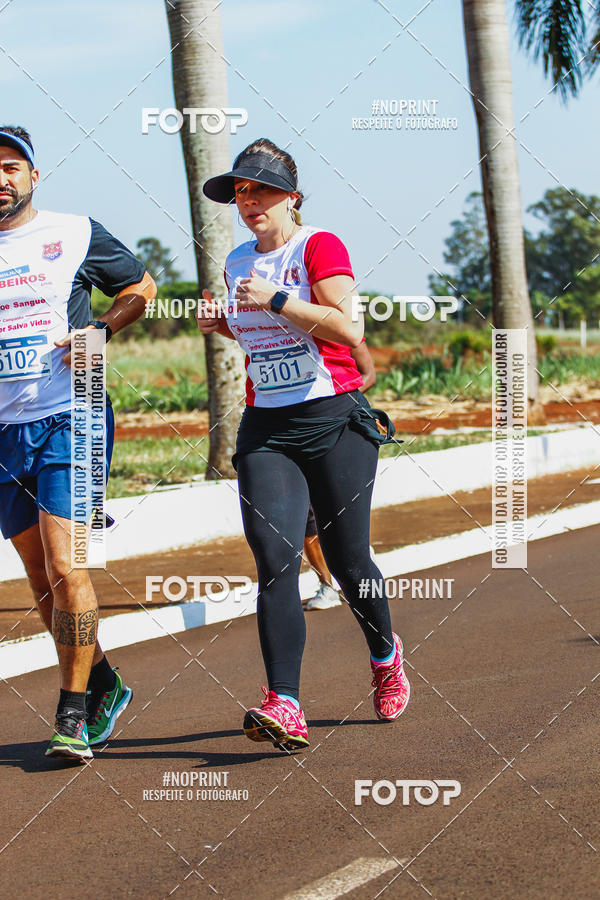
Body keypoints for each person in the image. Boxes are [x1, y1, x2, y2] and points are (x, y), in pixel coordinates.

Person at [199, 138, 410, 751]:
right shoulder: (238, 259)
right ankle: (284, 702)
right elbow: (264, 344)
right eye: (240, 193)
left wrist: (278, 299)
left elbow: (349, 327)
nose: (248, 202)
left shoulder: (318, 245)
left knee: (349, 563)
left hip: (334, 419)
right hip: (267, 428)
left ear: (291, 196)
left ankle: (384, 654)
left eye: (259, 190)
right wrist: (227, 322)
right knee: (275, 560)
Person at [0, 126, 157, 761]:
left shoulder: (74, 232)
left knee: (68, 565)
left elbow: (140, 287)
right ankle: (103, 683)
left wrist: (98, 332)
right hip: (4, 432)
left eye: (10, 165)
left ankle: (72, 713)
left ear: (33, 175)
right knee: (39, 576)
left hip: (73, 413)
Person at [304, 342, 376, 610]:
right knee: (304, 519)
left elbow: (369, 375)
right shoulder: (274, 338)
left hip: (336, 427)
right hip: (292, 432)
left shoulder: (345, 333)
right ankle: (326, 585)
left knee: (337, 511)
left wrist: (333, 401)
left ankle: (356, 563)